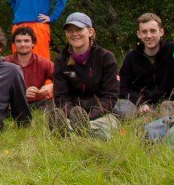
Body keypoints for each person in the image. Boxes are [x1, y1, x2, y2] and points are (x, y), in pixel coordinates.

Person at [49, 12, 120, 140]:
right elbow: (61, 97)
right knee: (68, 122)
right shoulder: (61, 60)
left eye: (79, 29)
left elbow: (110, 97)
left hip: (101, 115)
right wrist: (73, 114)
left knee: (107, 128)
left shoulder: (106, 58)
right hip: (71, 113)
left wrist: (88, 117)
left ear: (90, 31)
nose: (74, 33)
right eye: (70, 30)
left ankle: (71, 134)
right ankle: (69, 130)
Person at [115, 13, 174, 118]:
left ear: (161, 32)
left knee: (168, 109)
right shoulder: (132, 57)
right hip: (141, 104)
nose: (149, 36)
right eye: (144, 32)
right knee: (119, 106)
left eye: (153, 31)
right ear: (139, 34)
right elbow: (122, 87)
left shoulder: (173, 51)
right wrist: (140, 102)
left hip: (168, 103)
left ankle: (161, 121)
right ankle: (141, 121)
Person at [5, 26, 54, 109]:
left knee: (56, 102)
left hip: (38, 103)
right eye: (18, 41)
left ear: (33, 43)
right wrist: (22, 93)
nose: (22, 44)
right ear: (14, 44)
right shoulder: (5, 62)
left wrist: (52, 87)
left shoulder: (43, 63)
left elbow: (62, 79)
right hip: (12, 104)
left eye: (26, 41)